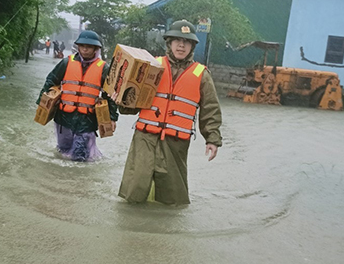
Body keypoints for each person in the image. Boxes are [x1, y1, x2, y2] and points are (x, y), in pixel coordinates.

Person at [118, 20, 222, 205]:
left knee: (172, 199)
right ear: (169, 43)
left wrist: (212, 139)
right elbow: (132, 100)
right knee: (135, 188)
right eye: (176, 40)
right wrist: (120, 98)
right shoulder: (152, 65)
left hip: (176, 142)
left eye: (186, 42)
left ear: (192, 46)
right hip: (145, 137)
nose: (181, 45)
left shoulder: (201, 74)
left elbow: (211, 109)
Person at [37, 30, 118, 162]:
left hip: (87, 120)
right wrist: (42, 104)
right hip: (64, 117)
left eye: (89, 47)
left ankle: (78, 180)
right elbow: (51, 80)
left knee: (79, 156)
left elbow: (109, 94)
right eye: (82, 46)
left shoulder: (103, 68)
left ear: (96, 49)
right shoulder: (66, 63)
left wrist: (113, 117)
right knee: (63, 152)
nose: (85, 49)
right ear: (78, 47)